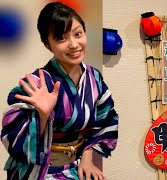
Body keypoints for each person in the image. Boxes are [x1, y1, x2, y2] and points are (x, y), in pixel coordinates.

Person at [1, 2, 118, 180]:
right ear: (47, 44)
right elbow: (13, 136)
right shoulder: (36, 83)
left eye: (78, 34)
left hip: (76, 165)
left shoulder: (94, 78)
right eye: (61, 38)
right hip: (39, 172)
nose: (73, 44)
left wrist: (87, 158)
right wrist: (42, 115)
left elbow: (106, 119)